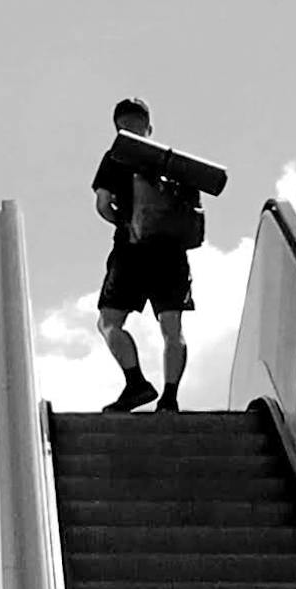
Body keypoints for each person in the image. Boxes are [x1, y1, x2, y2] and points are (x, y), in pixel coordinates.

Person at [90, 96, 202, 412]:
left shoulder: (115, 157)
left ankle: (136, 383)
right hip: (172, 255)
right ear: (149, 127)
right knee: (172, 328)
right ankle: (169, 399)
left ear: (117, 127)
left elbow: (102, 204)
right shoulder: (175, 164)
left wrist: (124, 223)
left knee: (109, 322)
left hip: (132, 253)